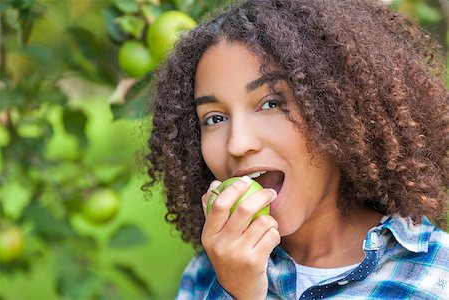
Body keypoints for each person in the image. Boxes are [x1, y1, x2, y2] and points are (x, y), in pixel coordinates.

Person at [145, 0, 449, 298]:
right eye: (214, 118)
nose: (238, 144)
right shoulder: (208, 274)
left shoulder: (436, 276)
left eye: (271, 103)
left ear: (338, 107)